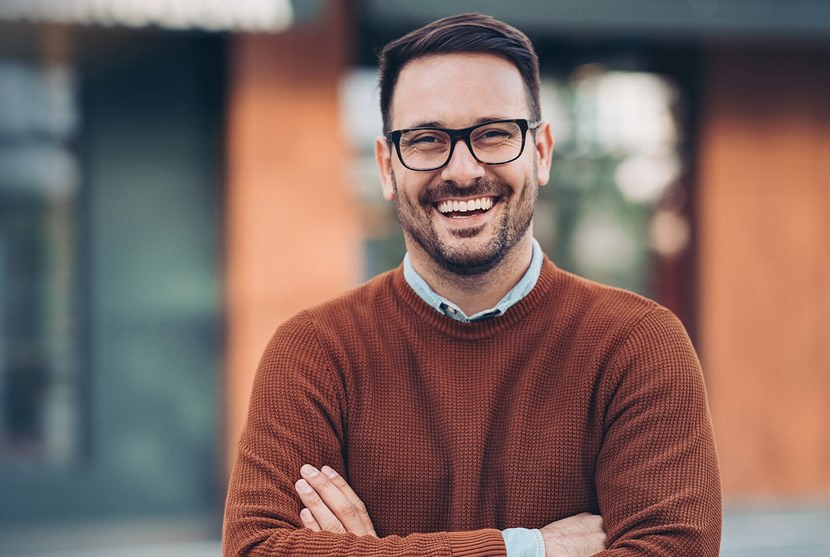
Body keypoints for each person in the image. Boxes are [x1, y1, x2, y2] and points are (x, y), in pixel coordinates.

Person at [220, 13, 721, 557]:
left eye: (494, 134)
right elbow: (254, 550)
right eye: (428, 139)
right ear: (388, 167)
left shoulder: (637, 345)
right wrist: (527, 549)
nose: (462, 170)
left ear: (542, 152)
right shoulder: (315, 351)